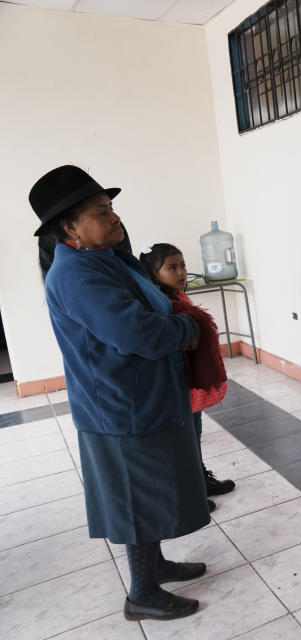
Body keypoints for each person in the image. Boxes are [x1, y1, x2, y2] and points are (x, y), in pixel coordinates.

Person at [30, 165, 209, 622]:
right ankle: (143, 593)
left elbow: (151, 300)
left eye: (112, 208)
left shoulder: (104, 258)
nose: (114, 218)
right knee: (138, 498)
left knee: (154, 491)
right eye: (101, 211)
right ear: (70, 227)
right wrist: (188, 328)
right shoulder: (76, 275)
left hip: (144, 395)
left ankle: (157, 565)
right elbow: (138, 333)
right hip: (121, 407)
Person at [139, 243, 235, 512]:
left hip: (187, 384)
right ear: (152, 273)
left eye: (182, 265)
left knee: (194, 435)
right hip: (175, 384)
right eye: (172, 267)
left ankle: (200, 480)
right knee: (183, 442)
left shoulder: (178, 296)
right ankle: (188, 493)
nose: (181, 272)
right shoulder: (158, 302)